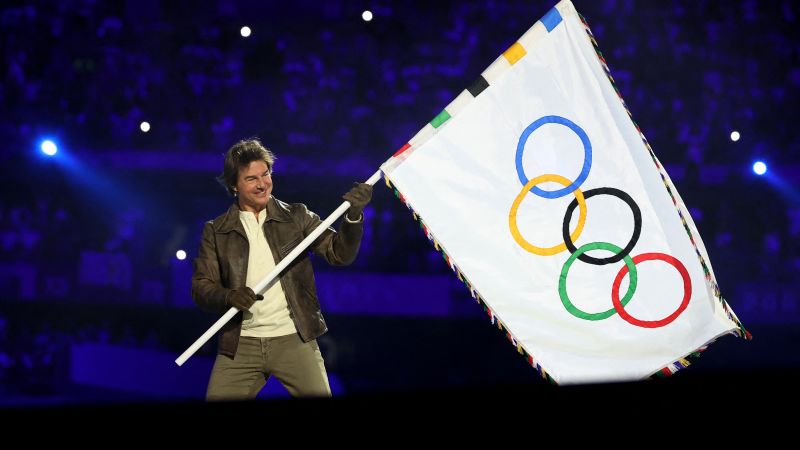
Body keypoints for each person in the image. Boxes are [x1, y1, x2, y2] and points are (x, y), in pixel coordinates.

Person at [191, 138, 372, 400]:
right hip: (240, 343)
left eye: (265, 174)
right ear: (234, 185)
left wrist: (354, 216)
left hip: (294, 338)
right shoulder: (216, 230)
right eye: (251, 179)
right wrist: (229, 296)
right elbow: (201, 288)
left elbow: (339, 253)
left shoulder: (297, 217)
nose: (262, 184)